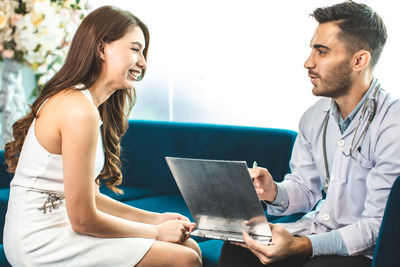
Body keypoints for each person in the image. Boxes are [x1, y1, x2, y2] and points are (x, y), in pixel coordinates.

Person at [3, 6, 202, 267]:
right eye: (135, 49)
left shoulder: (84, 104)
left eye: (143, 52)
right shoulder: (77, 110)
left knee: (190, 245)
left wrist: (155, 219)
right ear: (101, 49)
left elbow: (92, 198)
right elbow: (84, 219)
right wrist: (155, 232)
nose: (143, 63)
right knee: (183, 259)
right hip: (40, 240)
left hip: (63, 226)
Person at [219, 1, 400, 267]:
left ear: (360, 60)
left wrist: (303, 246)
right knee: (238, 250)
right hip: (317, 230)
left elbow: (377, 227)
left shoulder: (392, 124)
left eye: (322, 52)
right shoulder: (314, 117)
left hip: (364, 250)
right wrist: (273, 191)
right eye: (312, 50)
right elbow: (305, 188)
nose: (308, 63)